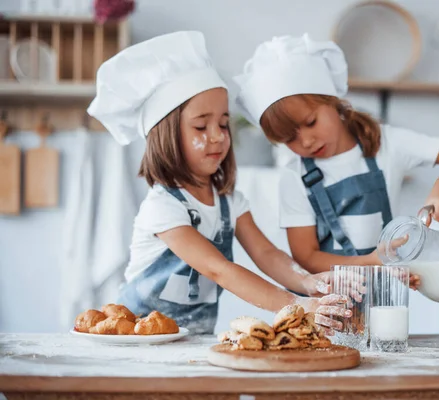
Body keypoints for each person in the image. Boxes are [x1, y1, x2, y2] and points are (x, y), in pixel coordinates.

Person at [87, 31, 350, 335]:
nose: (218, 136)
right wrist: (297, 304)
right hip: (137, 339)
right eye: (201, 126)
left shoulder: (229, 201)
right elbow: (219, 270)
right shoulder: (163, 207)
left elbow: (266, 254)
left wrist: (307, 281)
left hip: (192, 341)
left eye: (224, 124)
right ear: (165, 135)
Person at [234, 34, 439, 278]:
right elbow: (306, 257)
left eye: (311, 122)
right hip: (329, 303)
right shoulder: (294, 176)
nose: (306, 141)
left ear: (332, 101)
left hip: (383, 296)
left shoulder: (387, 143)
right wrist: (368, 262)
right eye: (289, 139)